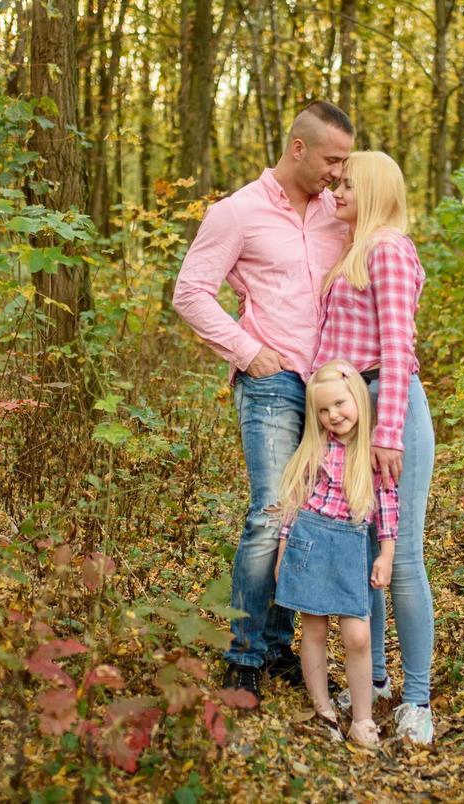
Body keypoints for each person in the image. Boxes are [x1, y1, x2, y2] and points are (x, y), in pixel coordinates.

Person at [172, 101, 354, 701]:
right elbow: (191, 291)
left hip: (331, 387)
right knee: (270, 512)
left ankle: (280, 650)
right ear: (298, 148)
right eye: (332, 159)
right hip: (272, 379)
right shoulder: (237, 213)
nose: (338, 172)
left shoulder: (339, 212)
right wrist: (248, 352)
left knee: (305, 517)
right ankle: (246, 653)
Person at [313, 150, 437, 745]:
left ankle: (417, 700)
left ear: (375, 189)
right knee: (367, 556)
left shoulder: (388, 248)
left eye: (346, 184)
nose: (335, 191)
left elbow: (398, 347)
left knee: (403, 555)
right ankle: (378, 679)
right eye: (334, 183)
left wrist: (386, 434)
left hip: (391, 408)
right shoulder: (352, 251)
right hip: (354, 413)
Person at [272, 360, 397, 746]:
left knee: (357, 634)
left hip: (349, 545)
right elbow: (294, 502)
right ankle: (324, 710)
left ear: (358, 397)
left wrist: (386, 554)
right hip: (309, 539)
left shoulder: (373, 452)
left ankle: (362, 719)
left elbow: (389, 504)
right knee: (314, 628)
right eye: (323, 410)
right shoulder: (316, 448)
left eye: (340, 404)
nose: (333, 415)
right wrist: (282, 552)